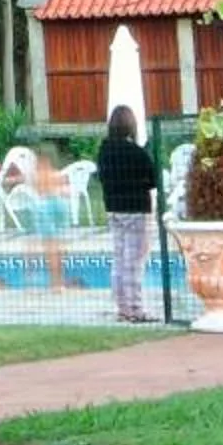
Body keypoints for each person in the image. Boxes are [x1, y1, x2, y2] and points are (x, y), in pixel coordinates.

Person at [96, 106, 163, 324]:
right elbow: (154, 180)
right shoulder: (137, 152)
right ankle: (135, 308)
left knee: (119, 259)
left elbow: (102, 177)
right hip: (136, 210)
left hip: (114, 209)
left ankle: (122, 307)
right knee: (134, 261)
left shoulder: (104, 151)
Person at [23, 146, 79, 290]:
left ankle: (53, 283)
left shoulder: (37, 176)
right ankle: (58, 280)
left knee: (49, 247)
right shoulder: (57, 175)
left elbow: (32, 186)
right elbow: (67, 192)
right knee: (58, 245)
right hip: (60, 204)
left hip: (46, 207)